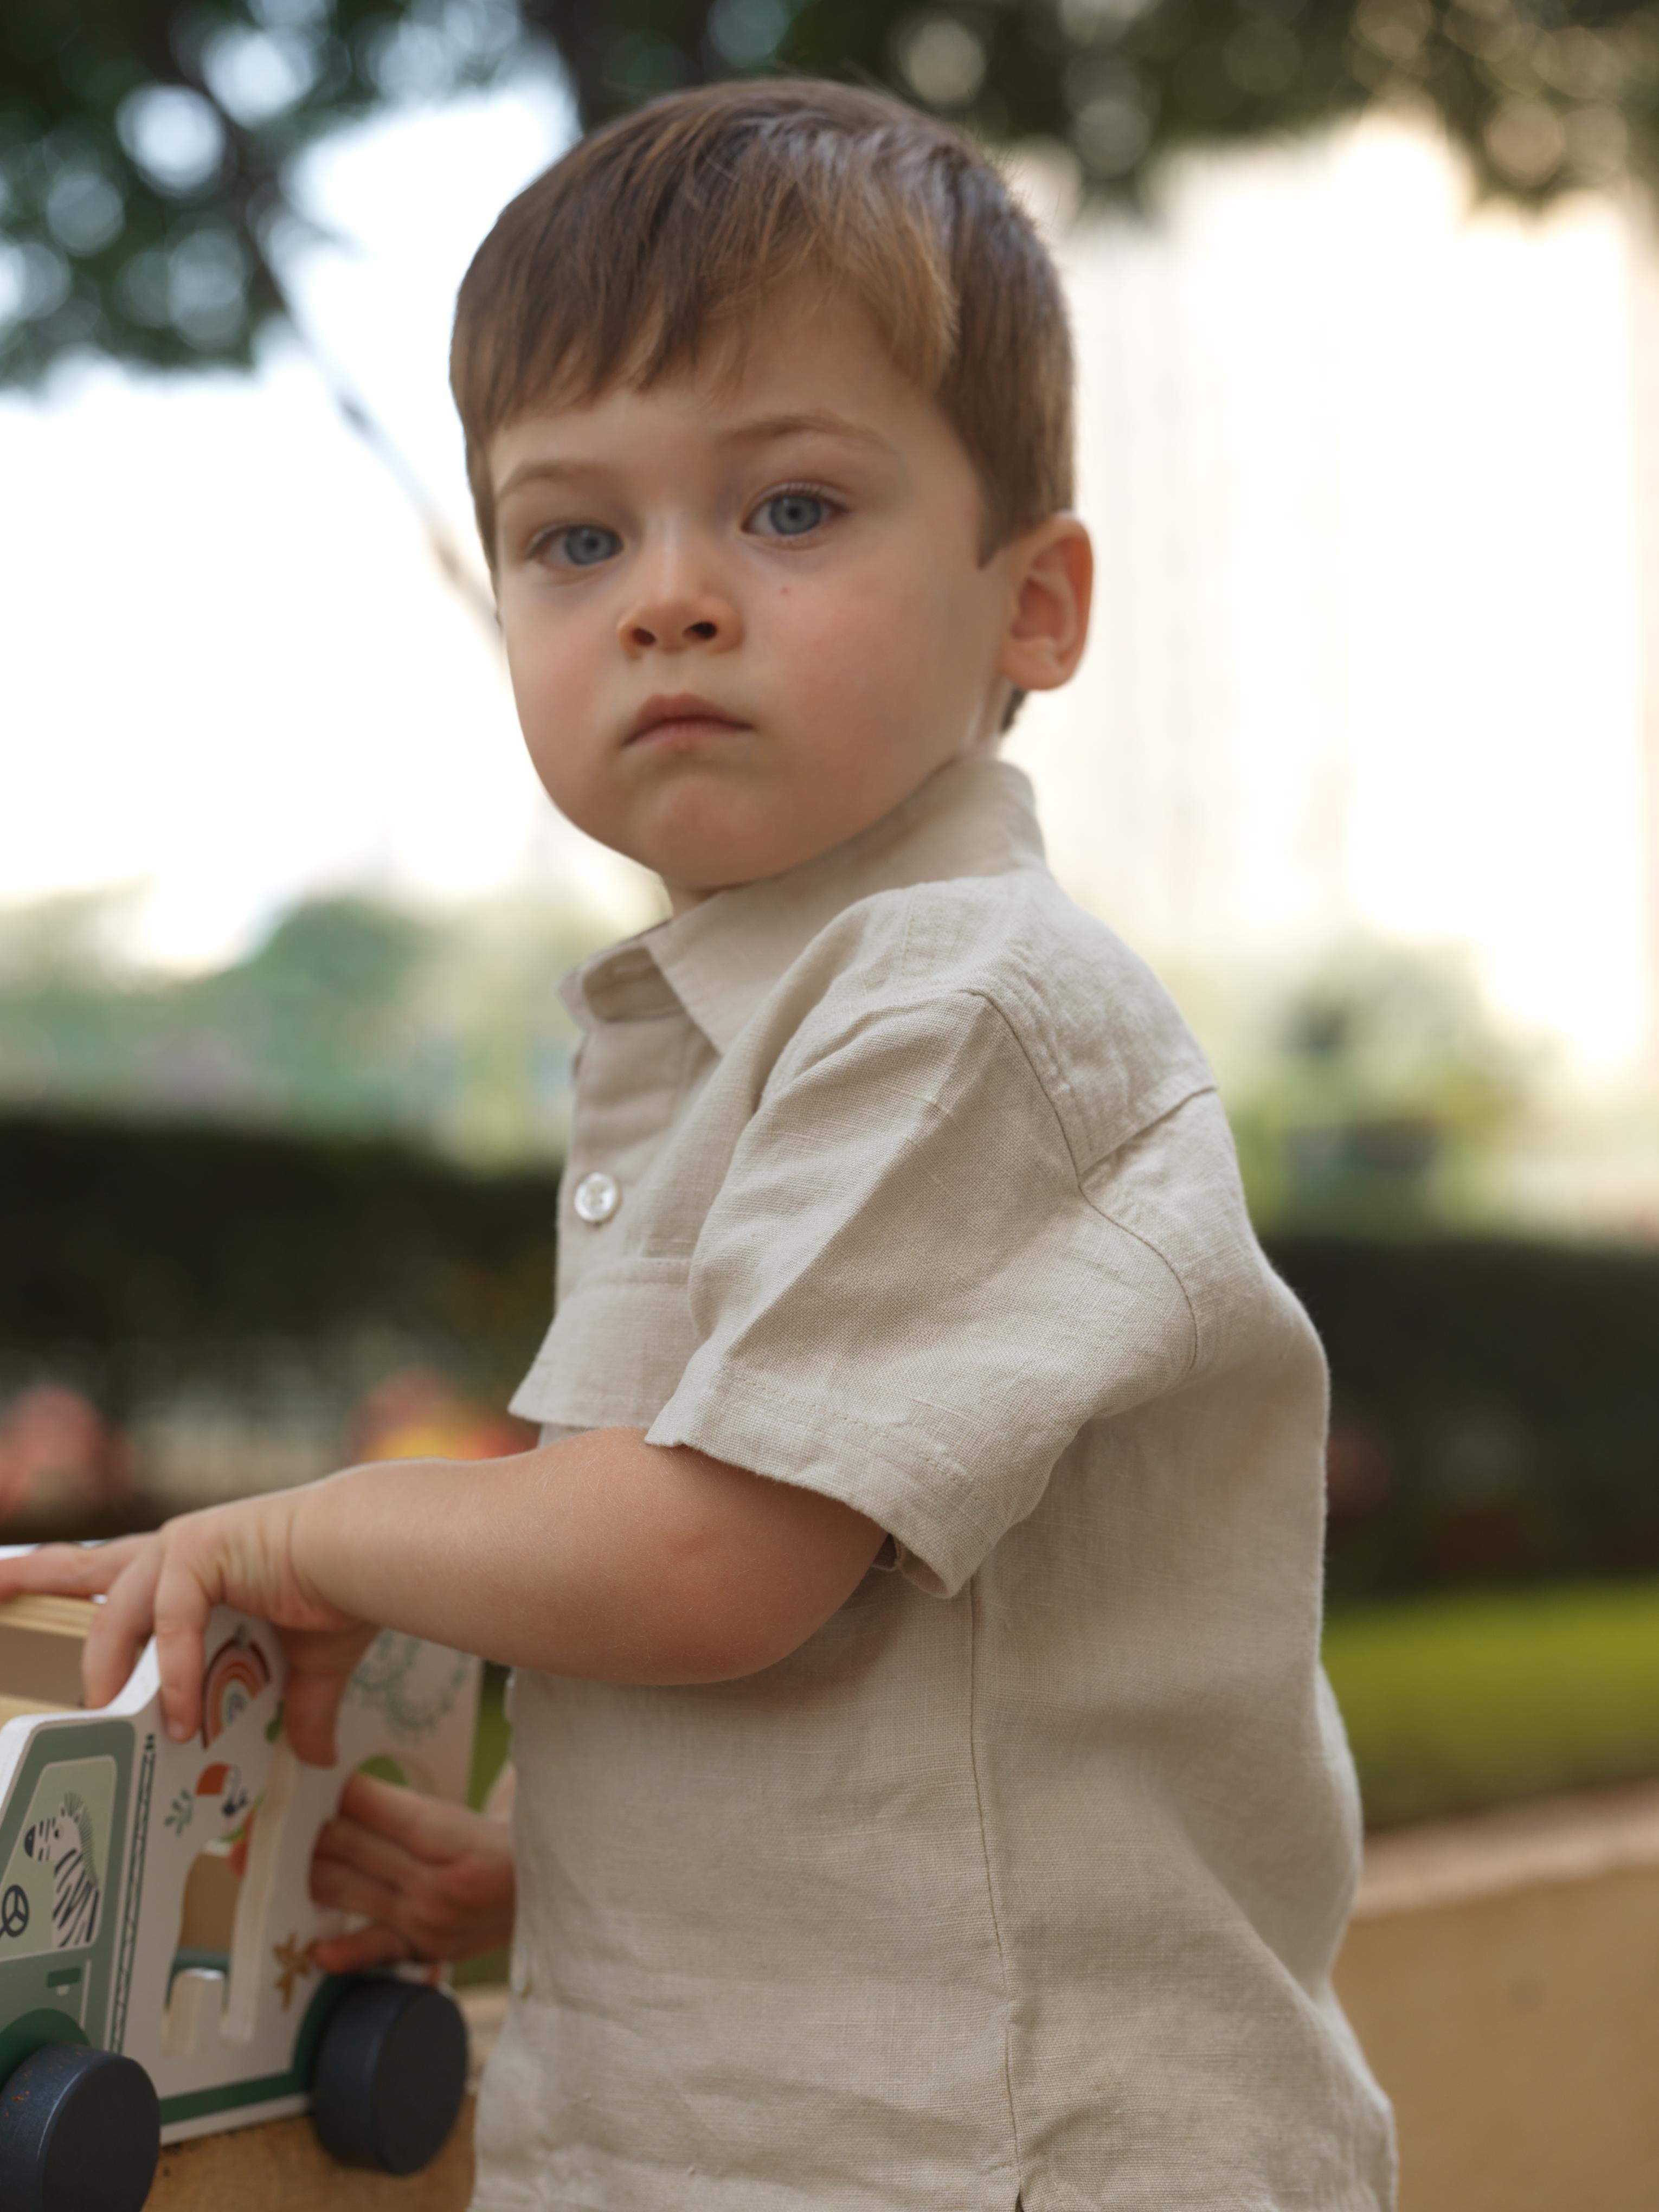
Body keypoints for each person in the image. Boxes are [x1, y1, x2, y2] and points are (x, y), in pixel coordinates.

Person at [0, 80, 1397, 2211]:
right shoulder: (731, 1035)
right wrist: (558, 1875)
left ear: (1034, 605)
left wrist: (295, 1538)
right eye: (577, 537)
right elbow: (876, 1698)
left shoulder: (963, 1013)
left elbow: (712, 1558)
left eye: (793, 510)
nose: (669, 598)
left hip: (995, 2159)